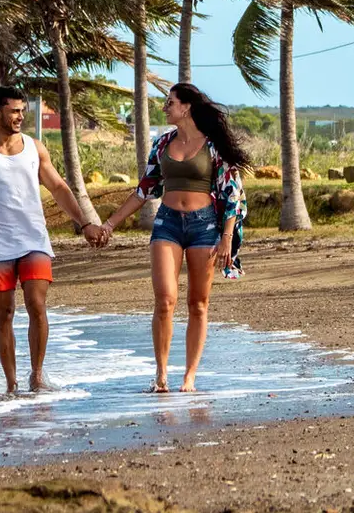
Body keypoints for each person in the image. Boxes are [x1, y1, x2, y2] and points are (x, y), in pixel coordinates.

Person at [95, 82, 250, 393]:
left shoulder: (213, 146)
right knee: (165, 300)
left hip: (204, 227)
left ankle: (189, 376)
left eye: (170, 102)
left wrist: (226, 238)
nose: (165, 108)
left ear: (186, 107)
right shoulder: (163, 143)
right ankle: (161, 374)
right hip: (166, 223)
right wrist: (109, 224)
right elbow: (144, 190)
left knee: (198, 303)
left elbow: (232, 195)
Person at [0, 85, 108, 395]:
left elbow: (59, 188)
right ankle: (11, 383)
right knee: (5, 315)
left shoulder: (35, 148)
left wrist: (84, 224)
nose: (20, 116)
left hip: (34, 241)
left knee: (36, 305)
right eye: (14, 111)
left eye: (23, 111)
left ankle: (36, 376)